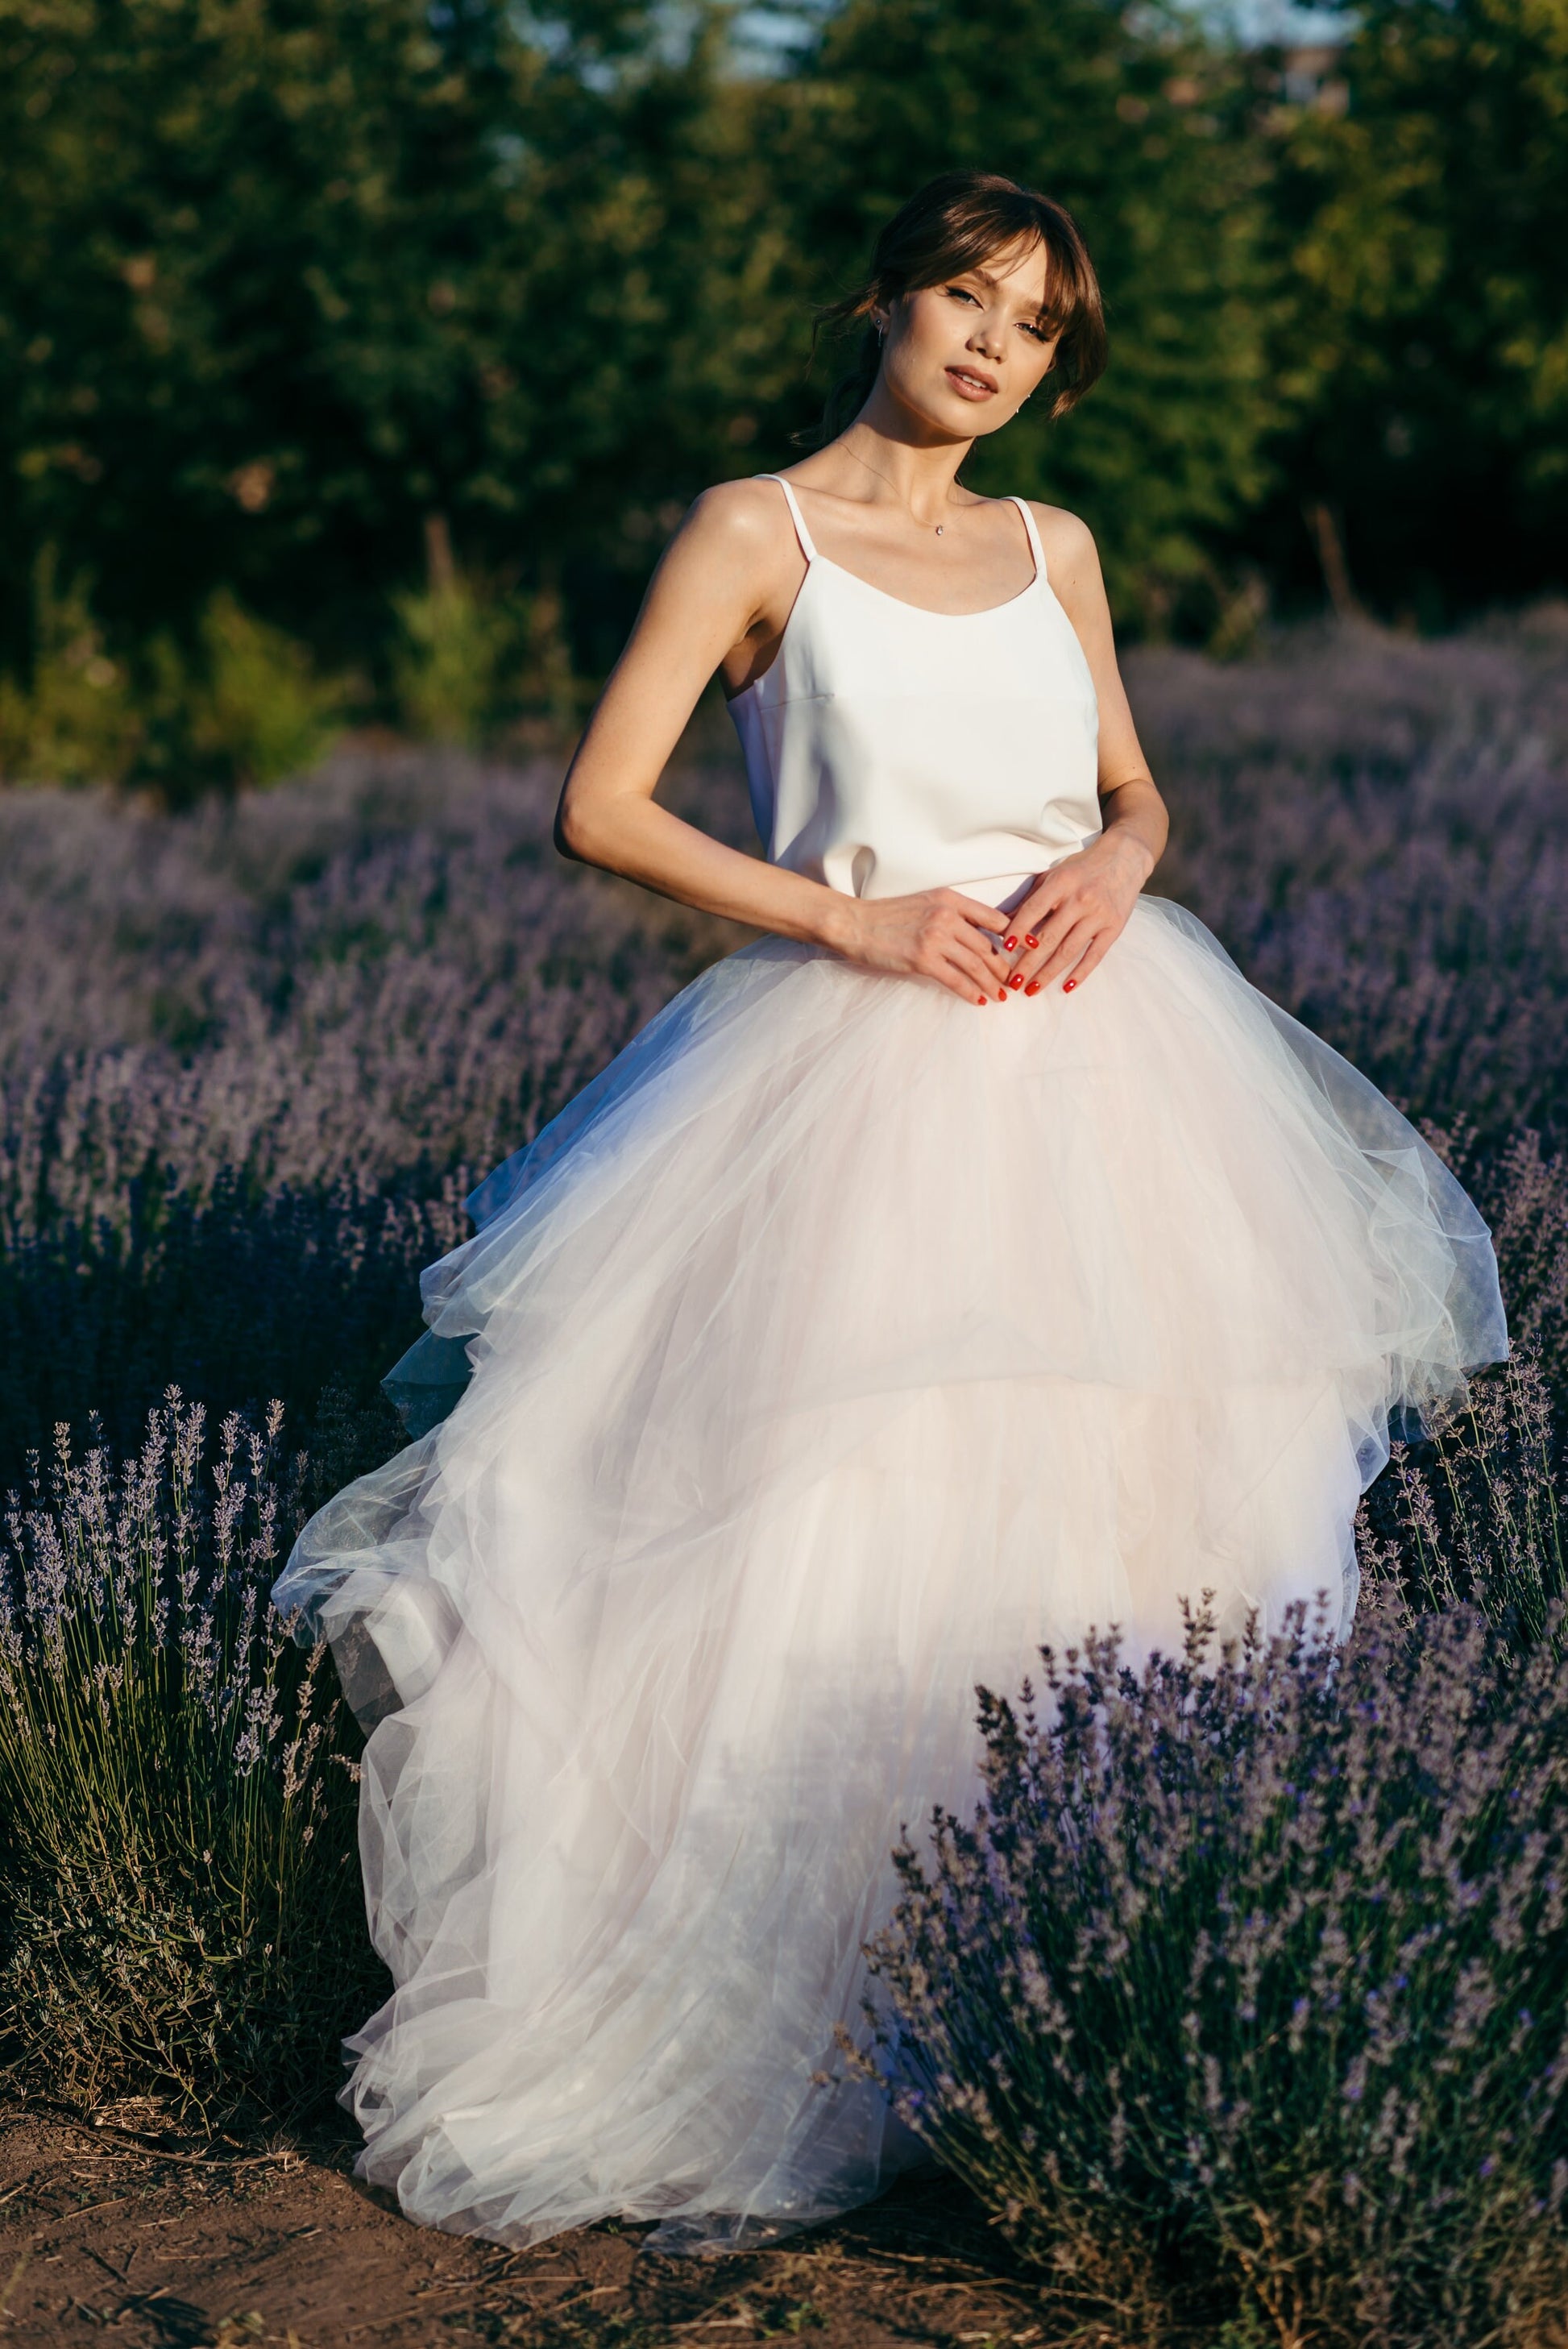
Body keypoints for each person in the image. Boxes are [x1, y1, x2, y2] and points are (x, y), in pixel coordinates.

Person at [273, 169, 1507, 2256]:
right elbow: (601, 800)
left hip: (1121, 1083)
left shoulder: (1055, 547)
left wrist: (1124, 862)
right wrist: (857, 921)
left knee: (1144, 1530)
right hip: (848, 1079)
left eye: (1032, 323)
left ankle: (1085, 2012)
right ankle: (826, 2025)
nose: (989, 345)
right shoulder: (755, 529)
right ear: (886, 296)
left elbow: (1133, 789)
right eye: (963, 294)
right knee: (827, 1544)